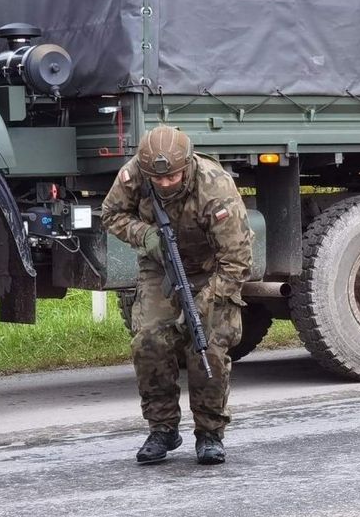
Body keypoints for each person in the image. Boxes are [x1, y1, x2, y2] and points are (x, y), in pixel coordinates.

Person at [101, 125, 252, 465]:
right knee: (149, 341)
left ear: (186, 165)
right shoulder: (135, 175)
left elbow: (237, 259)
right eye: (159, 179)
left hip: (213, 270)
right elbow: (110, 214)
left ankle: (210, 433)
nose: (166, 183)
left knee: (206, 347)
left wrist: (205, 303)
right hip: (160, 265)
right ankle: (162, 428)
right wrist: (144, 234)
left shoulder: (215, 187)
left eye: (173, 177)